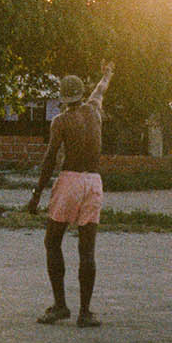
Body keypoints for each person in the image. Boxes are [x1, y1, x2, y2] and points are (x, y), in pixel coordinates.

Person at [27, 61, 113, 327]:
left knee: (53, 242)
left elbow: (50, 159)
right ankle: (85, 313)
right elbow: (101, 89)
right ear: (82, 93)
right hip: (94, 182)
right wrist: (108, 73)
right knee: (87, 251)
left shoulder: (61, 121)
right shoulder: (95, 111)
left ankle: (61, 305)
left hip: (71, 181)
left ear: (63, 97)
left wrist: (36, 193)